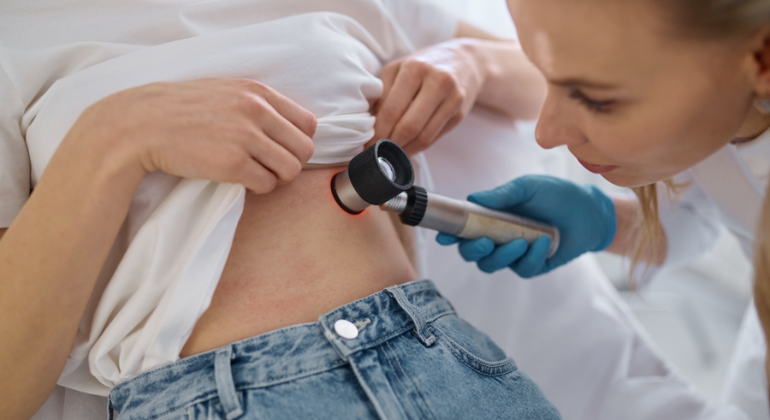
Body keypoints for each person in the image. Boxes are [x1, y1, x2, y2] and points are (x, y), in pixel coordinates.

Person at [0, 1, 558, 419]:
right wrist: (112, 139)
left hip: (443, 360)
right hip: (214, 393)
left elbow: (550, 76)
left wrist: (467, 60)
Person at [438, 1, 770, 419]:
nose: (546, 134)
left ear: (762, 59)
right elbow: (699, 217)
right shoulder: (721, 111)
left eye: (595, 99)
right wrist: (603, 220)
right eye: (545, 76)